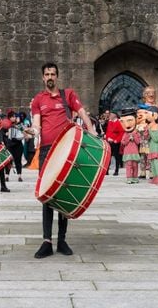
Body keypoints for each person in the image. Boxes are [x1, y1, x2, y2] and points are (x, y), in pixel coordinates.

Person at [30, 62, 95, 259]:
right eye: (47, 74)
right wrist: (32, 131)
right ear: (43, 77)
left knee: (64, 193)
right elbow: (36, 124)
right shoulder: (38, 100)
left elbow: (82, 113)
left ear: (57, 76)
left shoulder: (68, 95)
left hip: (67, 149)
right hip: (46, 151)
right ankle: (47, 241)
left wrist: (91, 131)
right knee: (47, 195)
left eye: (53, 73)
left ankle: (62, 240)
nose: (50, 76)